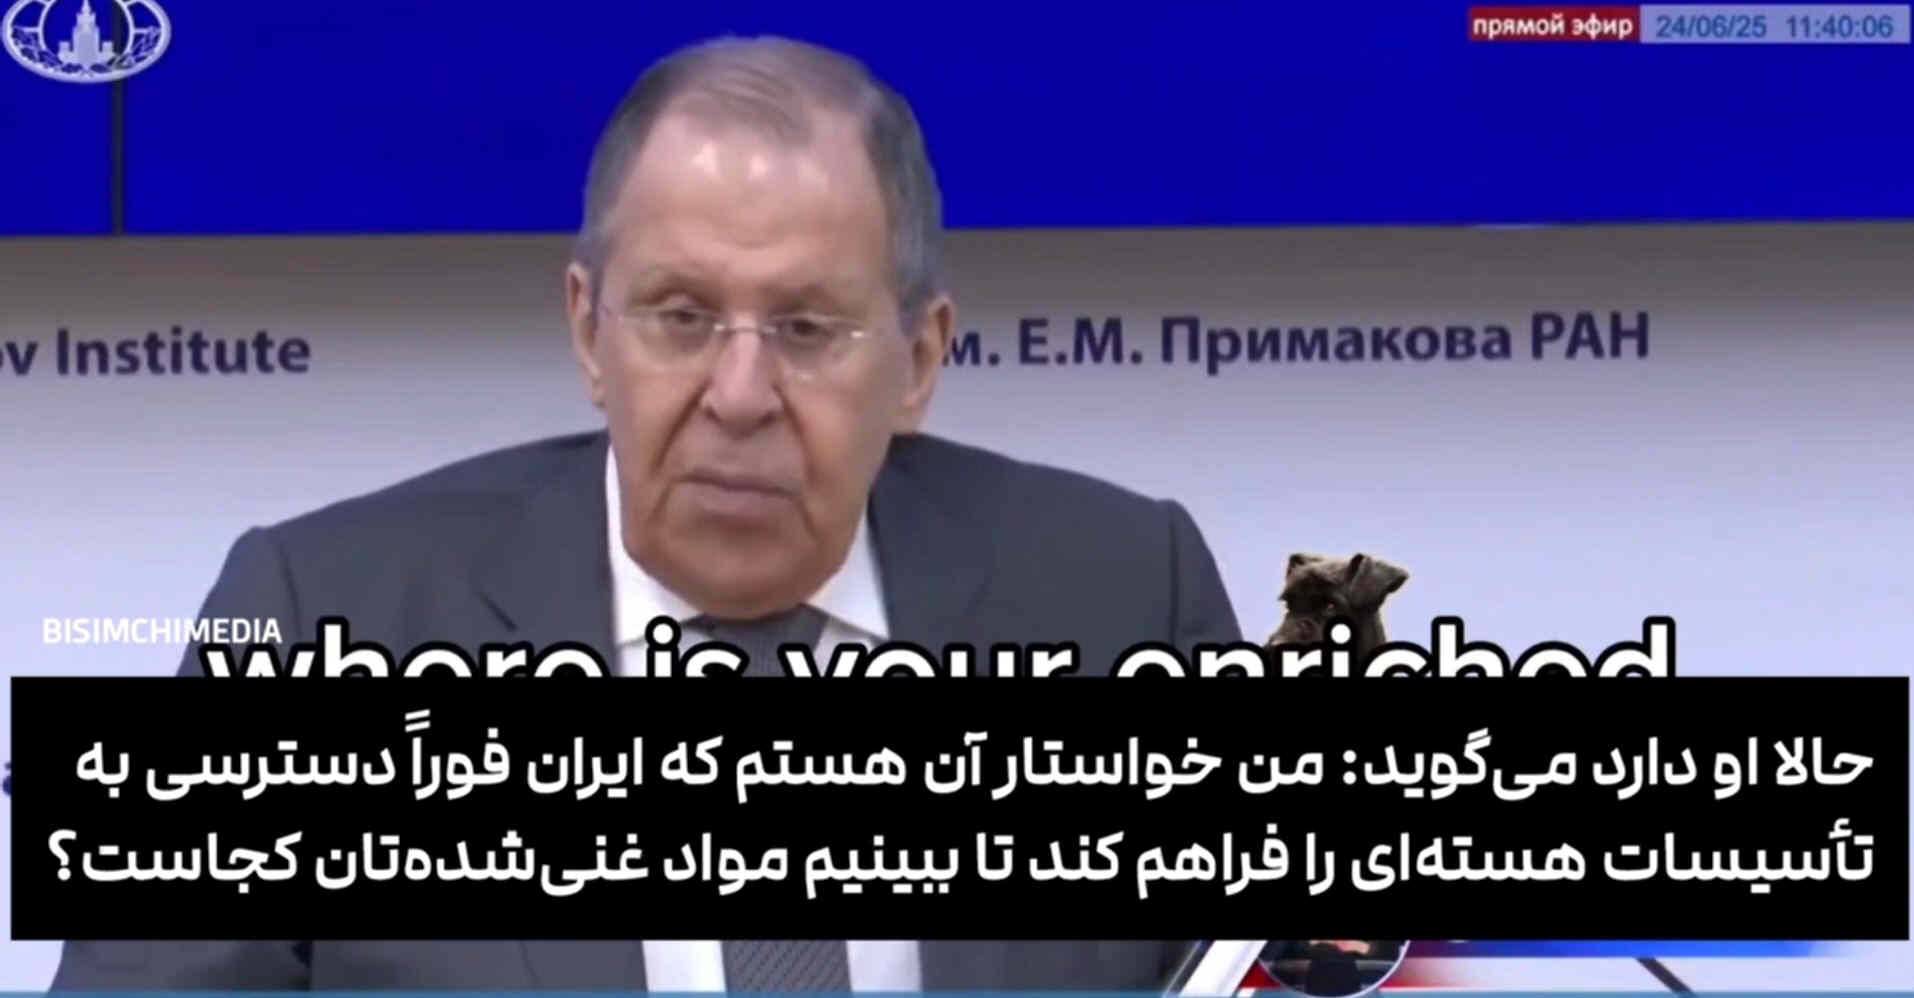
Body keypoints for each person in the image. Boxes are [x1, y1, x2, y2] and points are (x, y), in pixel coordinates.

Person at [51, 34, 1241, 993]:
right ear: (588, 331)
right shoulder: (317, 615)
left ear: (920, 360)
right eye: (680, 316)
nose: (739, 394)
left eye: (807, 328)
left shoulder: (1130, 595)